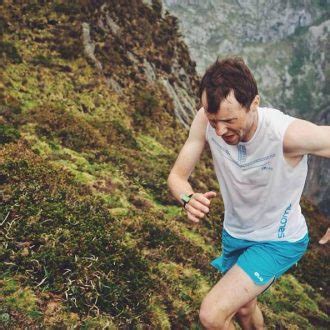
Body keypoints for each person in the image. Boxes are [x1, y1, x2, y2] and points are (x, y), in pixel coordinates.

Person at [167, 57, 330, 329]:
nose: (219, 131)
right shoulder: (205, 120)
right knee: (244, 307)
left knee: (212, 314)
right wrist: (187, 198)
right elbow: (177, 177)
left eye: (229, 120)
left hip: (277, 240)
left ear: (254, 103)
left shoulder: (285, 135)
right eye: (213, 119)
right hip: (235, 233)